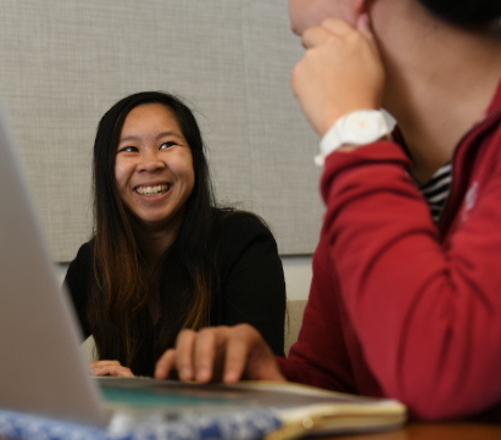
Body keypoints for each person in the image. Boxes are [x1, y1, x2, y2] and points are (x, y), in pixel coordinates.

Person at [154, 0, 501, 422]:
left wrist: (350, 132)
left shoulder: (363, 159)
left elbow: (443, 375)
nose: (290, 15)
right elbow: (336, 381)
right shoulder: (378, 172)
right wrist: (267, 380)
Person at [64, 91, 287, 378]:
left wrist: (142, 395)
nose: (150, 163)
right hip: (124, 423)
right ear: (103, 171)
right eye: (130, 149)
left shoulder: (243, 240)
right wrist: (76, 378)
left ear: (196, 159)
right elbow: (33, 358)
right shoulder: (94, 261)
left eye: (167, 144)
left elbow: (260, 384)